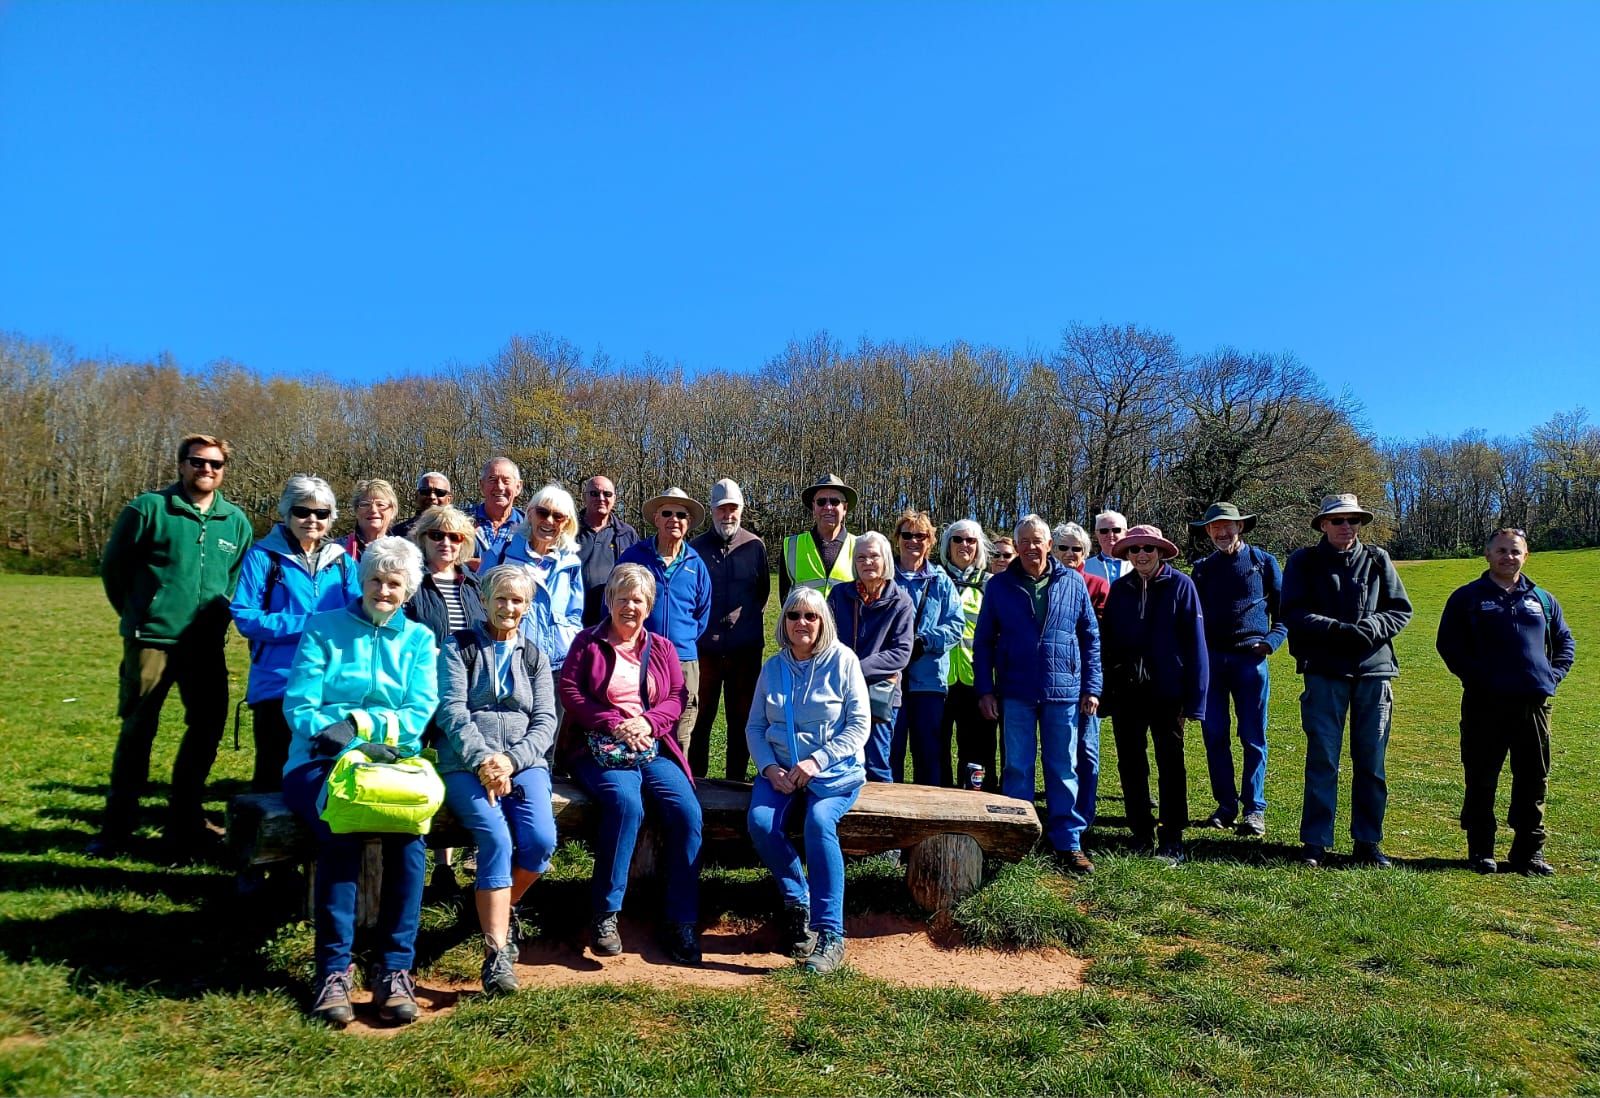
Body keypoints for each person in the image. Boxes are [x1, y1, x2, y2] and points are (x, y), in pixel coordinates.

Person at [281, 536, 440, 1027]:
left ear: (408, 590)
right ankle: (333, 972)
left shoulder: (420, 641)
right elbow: (301, 707)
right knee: (341, 828)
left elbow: (417, 715)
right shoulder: (323, 628)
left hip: (391, 762)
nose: (383, 591)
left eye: (394, 583)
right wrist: (346, 739)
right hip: (317, 761)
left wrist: (358, 726)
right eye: (376, 580)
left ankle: (394, 968)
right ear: (362, 580)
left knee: (410, 838)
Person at [90, 433, 254, 859]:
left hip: (204, 645)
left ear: (224, 470)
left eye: (215, 464)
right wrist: (140, 615)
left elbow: (234, 579)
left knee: (207, 729)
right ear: (182, 464)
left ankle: (185, 821)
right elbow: (114, 569)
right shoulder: (148, 509)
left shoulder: (234, 521)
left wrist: (217, 619)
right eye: (198, 461)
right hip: (153, 641)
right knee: (138, 729)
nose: (206, 470)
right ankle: (116, 828)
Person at [558, 564, 702, 965]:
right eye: (622, 598)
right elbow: (570, 691)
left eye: (638, 600)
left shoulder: (662, 648)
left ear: (649, 605)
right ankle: (605, 914)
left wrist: (647, 723)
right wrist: (614, 723)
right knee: (626, 803)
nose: (630, 607)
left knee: (687, 811)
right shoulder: (587, 642)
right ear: (610, 601)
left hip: (651, 745)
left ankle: (681, 919)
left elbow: (676, 696)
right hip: (598, 747)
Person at [436, 564, 559, 994]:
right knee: (496, 839)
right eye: (500, 598)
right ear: (484, 600)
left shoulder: (534, 655)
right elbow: (452, 711)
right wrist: (485, 761)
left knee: (541, 842)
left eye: (517, 600)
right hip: (466, 763)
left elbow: (545, 720)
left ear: (528, 606)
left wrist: (510, 760)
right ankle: (496, 953)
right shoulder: (459, 647)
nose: (508, 607)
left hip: (523, 763)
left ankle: (500, 906)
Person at [1281, 493, 1413, 869]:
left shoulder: (1377, 558)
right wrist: (1336, 630)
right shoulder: (1303, 561)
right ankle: (1315, 842)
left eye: (1353, 520)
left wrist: (1370, 628)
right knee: (1323, 758)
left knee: (1371, 761)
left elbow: (1400, 609)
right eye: (1338, 520)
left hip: (1374, 671)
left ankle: (1368, 842)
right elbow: (1292, 611)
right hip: (1324, 671)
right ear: (1323, 524)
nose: (1346, 526)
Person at [746, 587, 871, 975]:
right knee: (761, 823)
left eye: (811, 616)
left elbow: (859, 725)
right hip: (781, 771)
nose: (802, 622)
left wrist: (818, 761)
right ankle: (797, 897)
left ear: (823, 622)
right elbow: (755, 727)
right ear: (784, 621)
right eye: (794, 615)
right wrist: (770, 768)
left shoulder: (844, 661)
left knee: (818, 823)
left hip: (834, 771)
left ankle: (831, 934)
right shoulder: (773, 668)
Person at [1437, 529, 1576, 876]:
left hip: (1534, 703)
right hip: (1484, 703)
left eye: (1515, 551)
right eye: (1501, 551)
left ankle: (1529, 853)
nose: (1508, 557)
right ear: (1487, 554)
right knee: (1481, 777)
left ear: (1526, 556)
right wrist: (1477, 678)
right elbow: (1449, 645)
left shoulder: (1543, 599)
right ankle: (1481, 850)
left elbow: (1565, 642)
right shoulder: (1467, 597)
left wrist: (1551, 676)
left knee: (1533, 778)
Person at [972, 515, 1101, 872]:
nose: (1031, 546)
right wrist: (985, 690)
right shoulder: (999, 586)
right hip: (1016, 690)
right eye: (1024, 541)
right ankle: (1017, 839)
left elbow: (1090, 638)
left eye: (1037, 540)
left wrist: (1092, 687)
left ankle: (1068, 841)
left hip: (1064, 692)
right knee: (1017, 767)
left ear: (1049, 545)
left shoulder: (1072, 582)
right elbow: (983, 642)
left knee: (1063, 768)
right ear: (1016, 546)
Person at [231, 475, 360, 792]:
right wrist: (309, 624)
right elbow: (245, 616)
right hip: (277, 683)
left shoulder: (342, 562)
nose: (312, 520)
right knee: (271, 774)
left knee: (322, 774)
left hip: (329, 684)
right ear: (287, 512)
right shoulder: (263, 556)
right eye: (302, 511)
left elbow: (358, 612)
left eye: (321, 513)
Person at [1100, 525, 1208, 866]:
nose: (1142, 555)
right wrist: (1106, 691)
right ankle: (1140, 832)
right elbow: (1107, 643)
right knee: (1131, 763)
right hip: (1127, 692)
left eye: (1148, 548)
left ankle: (1172, 836)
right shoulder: (1120, 589)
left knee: (1171, 763)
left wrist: (1196, 698)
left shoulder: (1181, 585)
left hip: (1168, 692)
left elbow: (1196, 643)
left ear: (1160, 552)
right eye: (1134, 550)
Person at [1189, 502, 1286, 838]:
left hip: (1251, 661)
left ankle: (1254, 809)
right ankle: (1226, 806)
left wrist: (1272, 641)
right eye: (1215, 527)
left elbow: (1284, 612)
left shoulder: (1263, 562)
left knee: (1253, 736)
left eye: (1227, 525)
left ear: (1240, 527)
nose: (1222, 532)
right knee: (1214, 736)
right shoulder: (1202, 569)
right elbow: (1192, 618)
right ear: (1207, 532)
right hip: (1212, 663)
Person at [616, 488, 712, 758]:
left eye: (681, 515)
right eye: (667, 513)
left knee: (681, 728)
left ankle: (677, 777)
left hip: (683, 660)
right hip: (639, 657)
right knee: (639, 723)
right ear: (656, 519)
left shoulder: (696, 564)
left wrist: (681, 641)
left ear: (688, 522)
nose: (674, 519)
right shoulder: (635, 557)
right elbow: (613, 604)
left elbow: (702, 613)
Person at [479, 485, 585, 724]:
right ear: (529, 513)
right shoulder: (501, 554)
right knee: (510, 731)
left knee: (547, 734)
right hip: (509, 661)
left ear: (567, 523)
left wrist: (567, 642)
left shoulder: (571, 563)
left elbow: (574, 614)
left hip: (556, 667)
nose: (549, 521)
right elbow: (480, 601)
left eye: (558, 516)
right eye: (543, 512)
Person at [688, 478, 771, 779]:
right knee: (699, 719)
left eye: (733, 509)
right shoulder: (695, 548)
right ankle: (697, 782)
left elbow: (762, 592)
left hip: (745, 651)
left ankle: (735, 781)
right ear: (712, 510)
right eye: (721, 509)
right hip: (705, 650)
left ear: (741, 510)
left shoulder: (754, 546)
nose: (727, 515)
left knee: (742, 720)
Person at [827, 532, 914, 784]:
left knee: (877, 762)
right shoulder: (839, 595)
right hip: (840, 689)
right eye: (861, 557)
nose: (867, 562)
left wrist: (855, 668)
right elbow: (825, 638)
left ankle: (881, 809)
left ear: (886, 560)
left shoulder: (901, 601)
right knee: (838, 758)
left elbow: (901, 652)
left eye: (874, 556)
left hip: (880, 694)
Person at [890, 510, 964, 786]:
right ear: (897, 539)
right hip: (890, 680)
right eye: (907, 535)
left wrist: (925, 641)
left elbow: (956, 624)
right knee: (890, 751)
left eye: (920, 536)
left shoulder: (940, 580)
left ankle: (926, 809)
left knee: (928, 754)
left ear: (930, 541)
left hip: (929, 681)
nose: (913, 541)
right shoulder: (885, 577)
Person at [1049, 522, 1109, 836]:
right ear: (1052, 549)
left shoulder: (1097, 585)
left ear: (1085, 553)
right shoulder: (1044, 583)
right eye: (1063, 547)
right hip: (1053, 681)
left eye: (1077, 549)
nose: (1070, 554)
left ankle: (1084, 815)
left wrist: (1094, 684)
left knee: (1086, 749)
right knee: (1058, 752)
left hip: (1085, 678)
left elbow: (1099, 636)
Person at [939, 520, 998, 792]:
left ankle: (978, 805)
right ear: (947, 545)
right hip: (939, 680)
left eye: (971, 540)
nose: (964, 545)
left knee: (978, 754)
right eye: (958, 539)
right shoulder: (935, 578)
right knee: (935, 751)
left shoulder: (991, 584)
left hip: (978, 682)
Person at [404, 505, 486, 642]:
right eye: (437, 535)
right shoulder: (408, 581)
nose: (446, 543)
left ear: (463, 542)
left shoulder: (476, 585)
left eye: (455, 537)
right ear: (423, 538)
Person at [779, 473, 858, 600]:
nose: (828, 507)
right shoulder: (791, 546)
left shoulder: (861, 547)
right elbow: (785, 598)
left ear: (845, 508)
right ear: (813, 507)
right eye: (821, 502)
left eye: (835, 501)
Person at [575, 474, 639, 626]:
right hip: (574, 623)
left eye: (607, 494)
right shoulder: (568, 531)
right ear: (584, 497)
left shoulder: (627, 534)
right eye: (594, 493)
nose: (601, 498)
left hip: (614, 624)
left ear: (614, 498)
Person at [470, 457, 526, 569]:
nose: (499, 487)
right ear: (482, 485)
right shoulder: (460, 521)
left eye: (506, 481)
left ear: (518, 487)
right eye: (492, 480)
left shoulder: (528, 527)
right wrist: (467, 563)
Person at [340, 478, 399, 561]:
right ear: (356, 511)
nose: (373, 510)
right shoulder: (338, 550)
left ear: (393, 511)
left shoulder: (403, 552)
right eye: (365, 504)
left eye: (380, 504)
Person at [392, 472, 452, 540]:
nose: (432, 497)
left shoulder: (458, 532)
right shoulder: (397, 534)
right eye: (425, 491)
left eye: (440, 492)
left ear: (449, 499)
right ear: (416, 496)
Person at [1084, 510, 1132, 586]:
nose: (1110, 535)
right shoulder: (1085, 567)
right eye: (1104, 531)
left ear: (1126, 533)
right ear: (1096, 534)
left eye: (1116, 530)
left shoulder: (1137, 565)